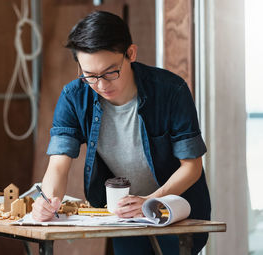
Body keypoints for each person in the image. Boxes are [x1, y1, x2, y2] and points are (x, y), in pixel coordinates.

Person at [31, 10, 211, 255]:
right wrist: (48, 201)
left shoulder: (171, 90)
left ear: (131, 54)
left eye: (110, 72)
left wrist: (151, 201)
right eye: (90, 76)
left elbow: (192, 167)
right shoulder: (74, 97)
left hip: (175, 210)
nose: (102, 85)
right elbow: (59, 164)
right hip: (124, 214)